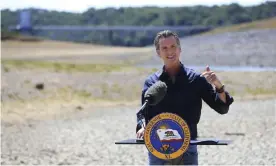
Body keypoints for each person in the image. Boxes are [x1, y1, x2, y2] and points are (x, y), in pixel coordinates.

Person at [136, 30, 234, 165]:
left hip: (187, 148)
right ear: (158, 52)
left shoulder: (196, 79)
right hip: (157, 148)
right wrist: (142, 127)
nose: (170, 51)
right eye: (164, 48)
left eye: (173, 47)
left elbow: (222, 108)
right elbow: (143, 114)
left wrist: (218, 85)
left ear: (179, 49)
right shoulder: (151, 82)